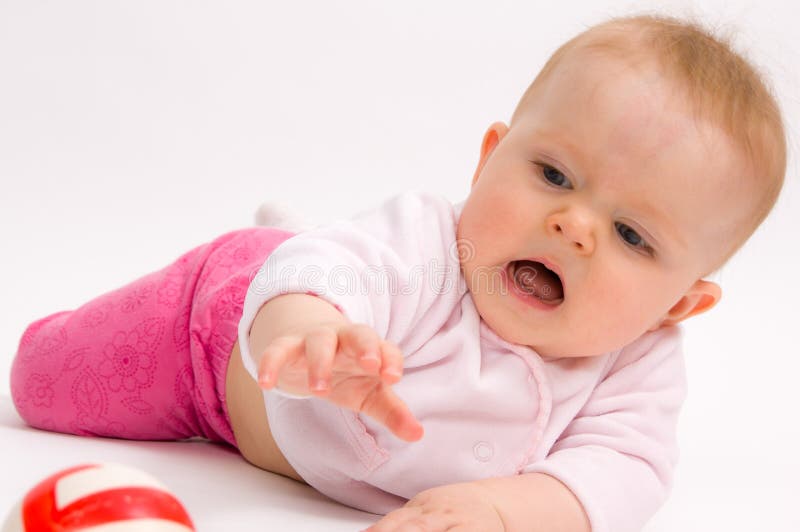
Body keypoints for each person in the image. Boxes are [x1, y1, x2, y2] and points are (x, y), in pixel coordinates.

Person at [9, 14, 786, 532]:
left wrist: (504, 510)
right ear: (490, 159)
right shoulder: (431, 246)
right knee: (42, 385)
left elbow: (624, 474)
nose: (574, 226)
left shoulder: (638, 365)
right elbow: (330, 271)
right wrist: (311, 330)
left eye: (629, 234)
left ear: (681, 304)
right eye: (553, 174)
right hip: (210, 344)